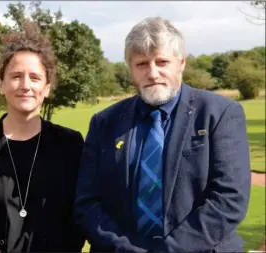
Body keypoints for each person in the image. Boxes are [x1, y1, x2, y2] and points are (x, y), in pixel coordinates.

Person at [74, 17, 251, 252]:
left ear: (181, 63)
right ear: (131, 70)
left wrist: (168, 250)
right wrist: (127, 249)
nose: (153, 73)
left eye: (162, 62)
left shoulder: (219, 114)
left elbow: (230, 198)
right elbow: (87, 203)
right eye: (142, 64)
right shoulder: (104, 122)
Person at [0, 21, 85, 252]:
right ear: (1, 84)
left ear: (47, 87)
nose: (25, 85)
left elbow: (78, 215)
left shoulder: (70, 144)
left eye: (34, 77)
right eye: (15, 76)